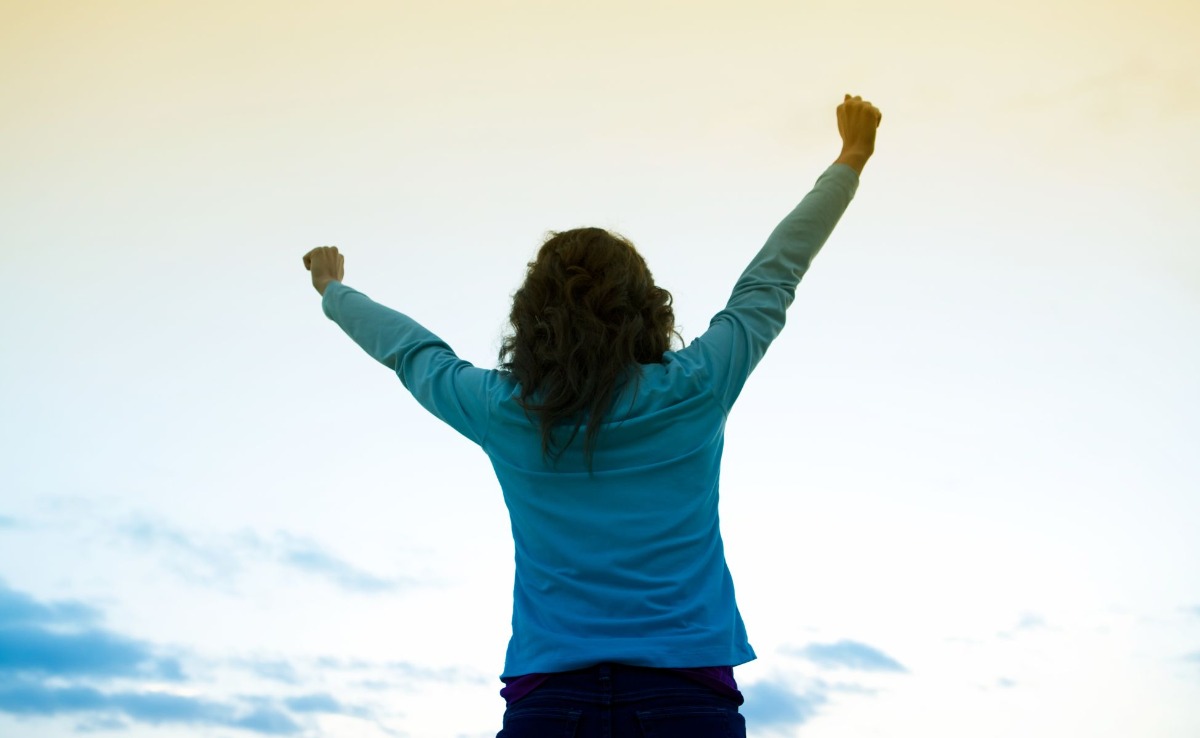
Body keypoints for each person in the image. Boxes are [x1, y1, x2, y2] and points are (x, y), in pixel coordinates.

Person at [303, 93, 881, 738]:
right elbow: (772, 278)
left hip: (550, 705)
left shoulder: (505, 410)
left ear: (533, 317)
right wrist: (850, 160)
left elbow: (413, 354)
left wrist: (334, 291)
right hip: (685, 701)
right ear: (645, 307)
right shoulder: (697, 385)